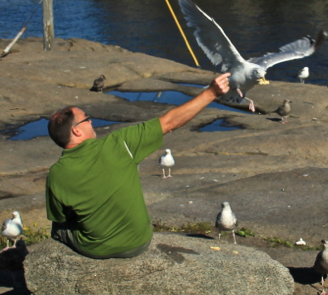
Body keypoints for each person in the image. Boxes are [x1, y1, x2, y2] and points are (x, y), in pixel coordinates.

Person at [45, 73, 231, 259]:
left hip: (96, 249)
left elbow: (59, 217)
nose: (91, 121)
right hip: (137, 242)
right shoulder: (119, 143)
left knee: (60, 226)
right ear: (76, 130)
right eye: (86, 119)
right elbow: (169, 122)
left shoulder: (56, 174)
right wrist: (212, 93)